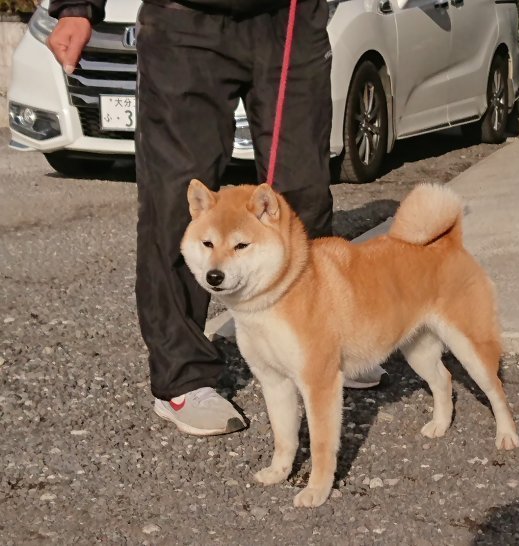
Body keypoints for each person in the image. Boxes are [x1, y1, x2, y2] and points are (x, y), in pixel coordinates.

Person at [47, 0, 384, 436]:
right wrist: (76, 7)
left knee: (302, 194)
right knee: (179, 201)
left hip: (290, 18)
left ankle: (319, 344)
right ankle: (183, 378)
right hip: (185, 21)